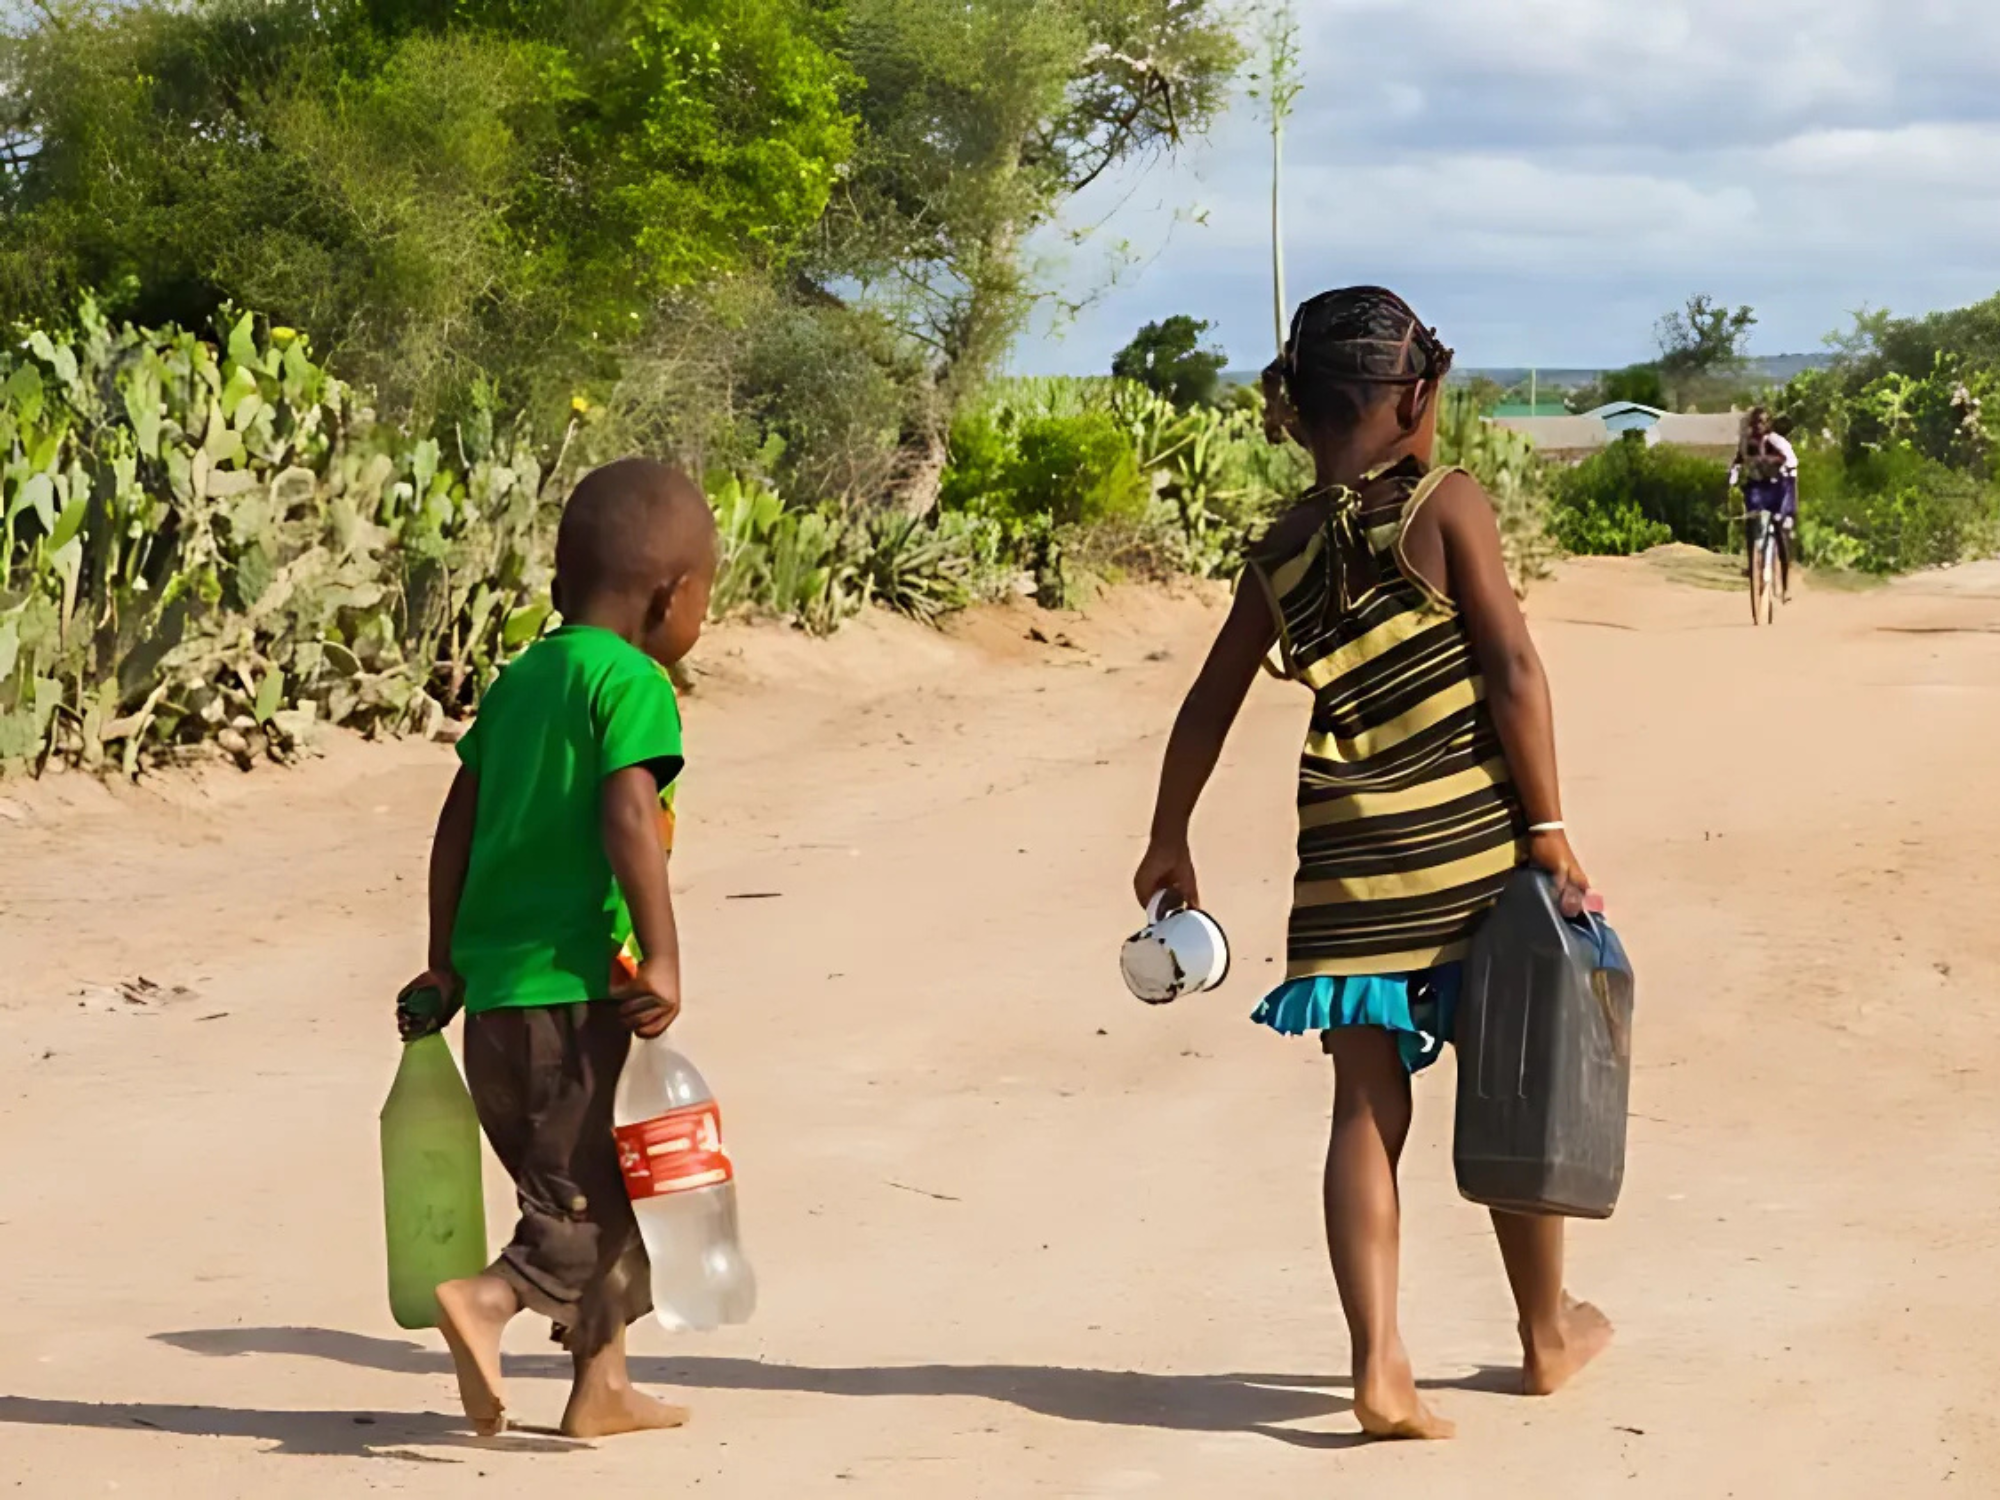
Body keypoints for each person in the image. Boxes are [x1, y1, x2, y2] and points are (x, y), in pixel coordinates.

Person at [1134, 287, 1611, 1441]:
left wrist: (1167, 835)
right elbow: (1511, 670)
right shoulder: (1448, 505)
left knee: (1362, 1106)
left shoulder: (1280, 550)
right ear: (1418, 398)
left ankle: (1378, 1366)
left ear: (1293, 410)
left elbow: (1207, 702)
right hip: (1475, 850)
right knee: (1518, 1089)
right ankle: (1544, 1333)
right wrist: (1546, 831)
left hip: (1346, 861)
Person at [399, 456, 718, 1439]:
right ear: (671, 596)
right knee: (589, 1206)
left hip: (496, 1003)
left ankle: (601, 1389)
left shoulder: (521, 680)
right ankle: (489, 1301)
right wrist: (662, 956)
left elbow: (456, 822)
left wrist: (443, 958)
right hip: (573, 999)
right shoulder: (631, 684)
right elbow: (628, 810)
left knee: (594, 1185)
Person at [1730, 406, 1799, 602]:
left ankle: (1785, 586)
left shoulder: (1776, 442)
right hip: (1758, 485)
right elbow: (1738, 462)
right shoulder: (1746, 443)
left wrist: (1768, 462)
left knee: (1779, 529)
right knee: (1750, 519)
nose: (1758, 426)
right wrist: (1732, 478)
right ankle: (1754, 561)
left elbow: (1788, 464)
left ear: (1768, 425)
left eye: (1762, 422)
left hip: (1780, 484)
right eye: (1755, 422)